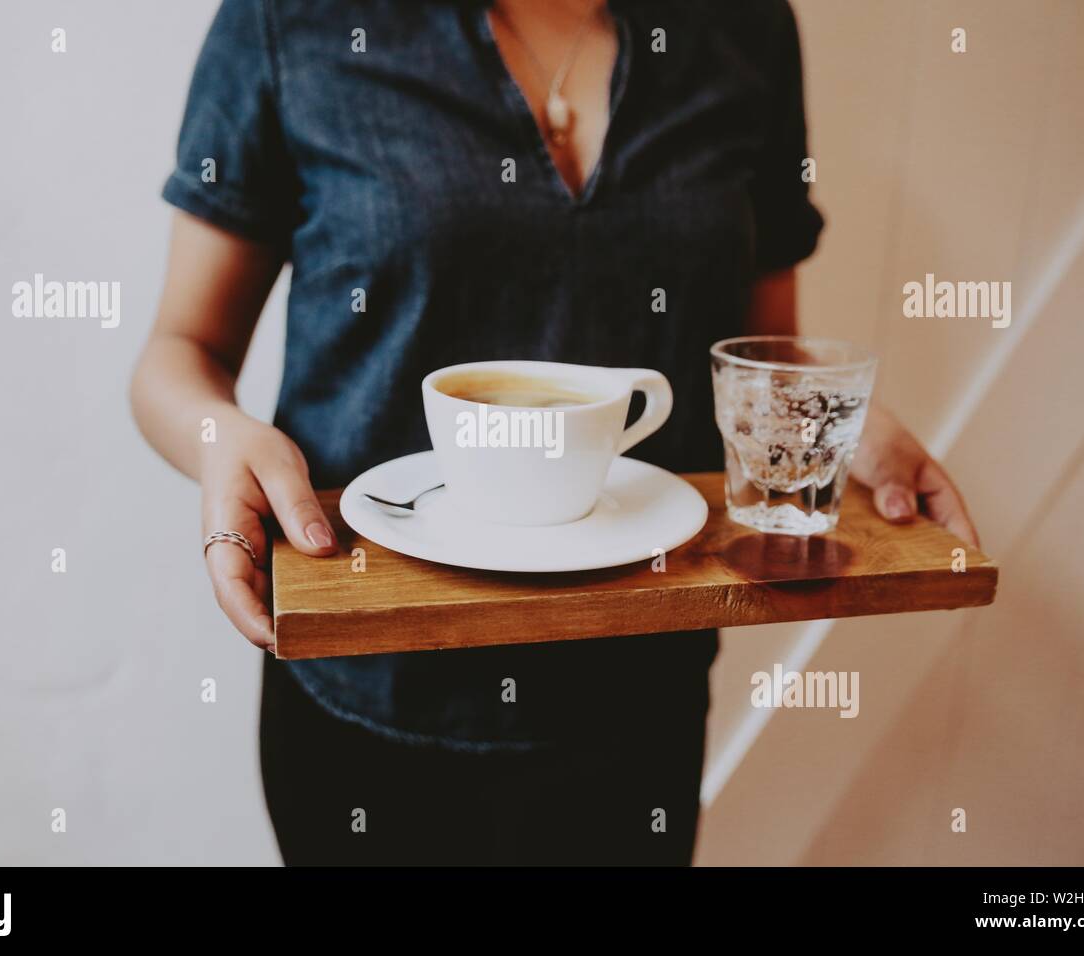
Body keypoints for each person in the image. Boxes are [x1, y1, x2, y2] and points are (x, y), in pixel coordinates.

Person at [130, 0, 979, 866]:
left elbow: (763, 347)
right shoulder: (289, 20)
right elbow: (179, 351)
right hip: (369, 701)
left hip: (640, 693)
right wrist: (217, 436)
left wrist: (831, 424)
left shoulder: (745, 25)